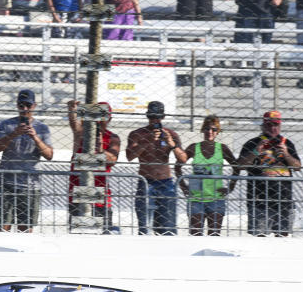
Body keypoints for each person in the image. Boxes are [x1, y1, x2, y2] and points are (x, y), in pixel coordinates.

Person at [0, 89, 53, 232]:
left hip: (30, 185)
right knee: (2, 227)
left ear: (34, 106)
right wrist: (14, 134)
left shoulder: (42, 128)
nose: (25, 109)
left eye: (28, 105)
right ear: (17, 105)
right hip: (6, 182)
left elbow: (49, 155)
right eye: (21, 105)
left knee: (25, 230)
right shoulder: (6, 125)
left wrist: (35, 137)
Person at [126, 100, 186, 235]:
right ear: (147, 116)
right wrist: (147, 141)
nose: (154, 120)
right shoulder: (137, 134)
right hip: (146, 182)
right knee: (144, 228)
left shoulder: (171, 134)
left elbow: (183, 158)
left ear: (163, 117)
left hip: (166, 183)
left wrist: (172, 144)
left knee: (168, 229)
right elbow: (130, 156)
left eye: (157, 117)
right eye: (151, 117)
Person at [238, 110, 301, 236]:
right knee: (259, 237)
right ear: (263, 125)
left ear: (280, 126)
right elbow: (239, 165)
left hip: (283, 199)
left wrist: (286, 154)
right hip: (259, 199)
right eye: (269, 125)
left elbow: (297, 166)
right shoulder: (252, 143)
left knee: (282, 237)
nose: (272, 128)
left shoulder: (286, 143)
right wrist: (256, 151)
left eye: (275, 125)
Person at [176, 114, 238, 236]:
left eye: (214, 129)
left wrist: (230, 187)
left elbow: (236, 167)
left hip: (216, 198)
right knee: (195, 234)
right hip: (196, 198)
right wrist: (184, 186)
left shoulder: (222, 148)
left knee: (214, 235)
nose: (210, 132)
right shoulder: (194, 148)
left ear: (217, 132)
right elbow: (178, 166)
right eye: (207, 129)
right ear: (203, 130)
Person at [66, 99, 120, 233]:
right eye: (97, 115)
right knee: (79, 234)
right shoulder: (81, 134)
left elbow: (112, 159)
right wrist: (72, 110)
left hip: (100, 195)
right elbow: (74, 125)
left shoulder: (112, 137)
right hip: (79, 191)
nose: (100, 120)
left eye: (103, 116)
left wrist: (100, 148)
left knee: (102, 235)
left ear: (109, 119)